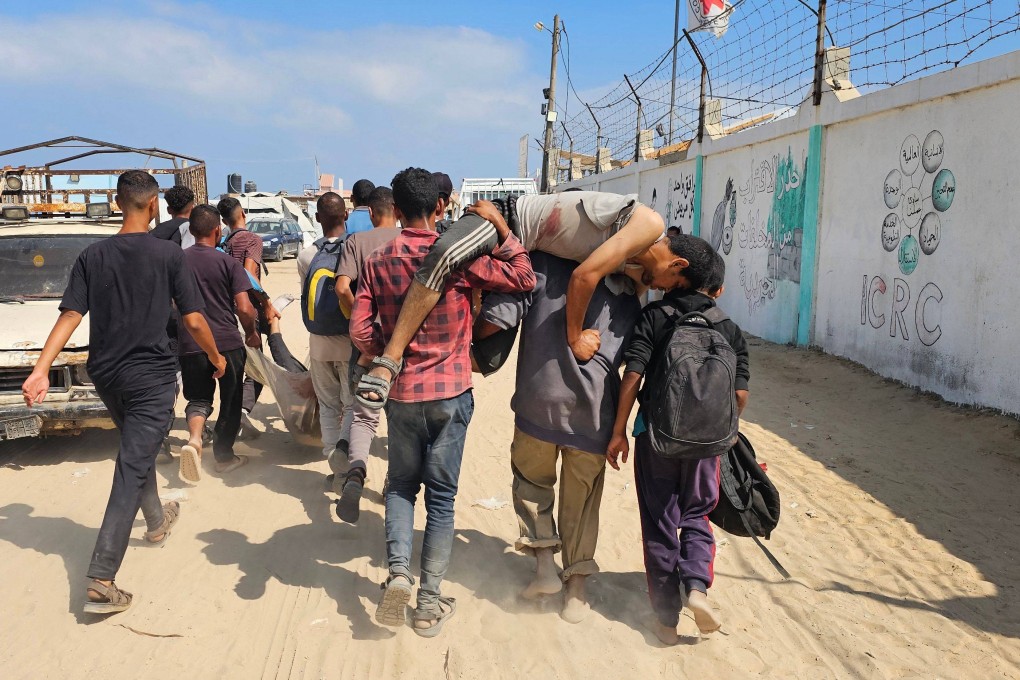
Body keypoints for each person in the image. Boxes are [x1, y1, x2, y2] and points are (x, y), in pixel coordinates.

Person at [21, 170, 225, 615]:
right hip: (151, 378)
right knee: (132, 464)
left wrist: (41, 369)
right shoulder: (169, 255)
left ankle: (156, 521)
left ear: (118, 203)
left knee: (137, 448)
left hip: (107, 376)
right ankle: (102, 576)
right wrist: (215, 356)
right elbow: (193, 320)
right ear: (154, 205)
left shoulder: (92, 255)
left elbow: (70, 315)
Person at [350, 168, 535, 635]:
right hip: (451, 393)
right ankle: (429, 603)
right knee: (441, 498)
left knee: (399, 487)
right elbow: (523, 277)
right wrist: (503, 229)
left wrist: (385, 353)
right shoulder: (461, 259)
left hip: (401, 394)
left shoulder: (378, 260)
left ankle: (398, 574)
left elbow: (359, 330)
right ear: (440, 207)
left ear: (395, 209)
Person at [356, 190, 689, 407]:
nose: (663, 290)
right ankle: (388, 361)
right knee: (443, 255)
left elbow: (631, 302)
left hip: (518, 255)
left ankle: (417, 369)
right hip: (505, 218)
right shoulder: (649, 223)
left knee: (489, 358)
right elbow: (584, 277)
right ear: (677, 264)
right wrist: (575, 339)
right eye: (671, 285)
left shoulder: (636, 266)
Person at [477, 252, 641, 623]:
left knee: (532, 484)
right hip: (594, 415)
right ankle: (577, 593)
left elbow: (499, 317)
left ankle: (544, 570)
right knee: (582, 503)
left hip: (538, 403)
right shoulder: (626, 291)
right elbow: (630, 359)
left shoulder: (537, 266)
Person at [606, 239, 750, 645]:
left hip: (656, 437)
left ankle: (666, 622)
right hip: (707, 444)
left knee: (660, 521)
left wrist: (619, 431)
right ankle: (697, 587)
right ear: (717, 289)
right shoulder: (729, 329)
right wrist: (719, 433)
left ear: (678, 274)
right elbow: (739, 396)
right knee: (697, 514)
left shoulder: (655, 316)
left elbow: (633, 375)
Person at [177, 205, 262, 482]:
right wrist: (251, 332)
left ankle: (194, 440)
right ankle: (224, 457)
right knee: (231, 399)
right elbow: (244, 308)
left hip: (191, 343)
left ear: (191, 230)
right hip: (227, 342)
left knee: (198, 398)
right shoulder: (228, 263)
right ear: (217, 230)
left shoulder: (178, 261)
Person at [330, 186, 399, 521]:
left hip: (365, 349)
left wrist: (359, 316)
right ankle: (392, 484)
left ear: (370, 213)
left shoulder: (356, 242)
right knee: (399, 422)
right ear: (397, 210)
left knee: (362, 416)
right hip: (404, 351)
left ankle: (355, 474)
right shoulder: (411, 241)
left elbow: (342, 287)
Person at [297, 192, 354, 467]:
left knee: (329, 405)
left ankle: (332, 457)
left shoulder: (306, 255)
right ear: (346, 215)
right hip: (349, 341)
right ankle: (347, 454)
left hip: (319, 342)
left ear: (318, 218)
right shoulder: (354, 250)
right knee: (351, 404)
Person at [217, 196, 278, 436]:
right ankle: (241, 414)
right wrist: (266, 302)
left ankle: (232, 419)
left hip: (224, 313)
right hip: (246, 311)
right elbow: (249, 274)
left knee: (234, 368)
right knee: (258, 370)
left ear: (224, 221)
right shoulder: (252, 239)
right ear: (243, 213)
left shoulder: (222, 243)